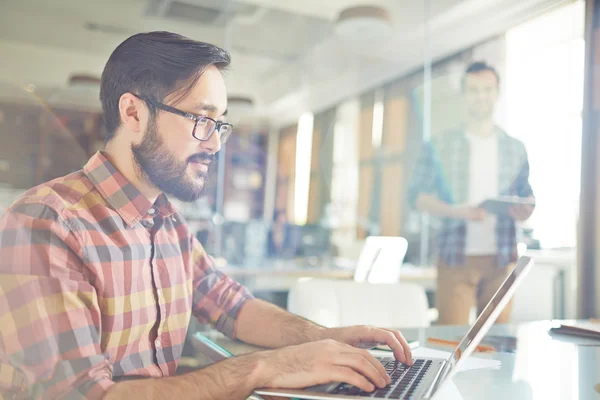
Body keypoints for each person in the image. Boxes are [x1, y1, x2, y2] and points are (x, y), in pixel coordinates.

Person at [0, 32, 412, 400]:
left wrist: (325, 338)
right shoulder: (46, 224)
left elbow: (230, 305)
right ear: (134, 114)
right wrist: (266, 368)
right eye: (201, 119)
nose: (215, 145)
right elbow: (82, 395)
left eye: (220, 124)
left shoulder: (165, 221)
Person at [407, 61, 535, 325]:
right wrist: (456, 212)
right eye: (474, 90)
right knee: (449, 340)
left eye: (487, 90)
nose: (481, 96)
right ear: (464, 95)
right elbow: (416, 196)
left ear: (497, 93)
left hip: (501, 258)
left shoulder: (515, 148)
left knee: (498, 344)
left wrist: (525, 208)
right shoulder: (440, 144)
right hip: (455, 258)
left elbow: (526, 196)